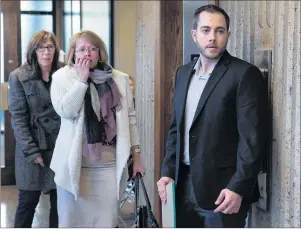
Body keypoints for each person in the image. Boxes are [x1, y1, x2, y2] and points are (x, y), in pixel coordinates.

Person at [157, 4, 268, 228]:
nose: (213, 37)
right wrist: (167, 172)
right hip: (182, 184)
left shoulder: (244, 74)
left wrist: (239, 186)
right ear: (194, 34)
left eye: (220, 31)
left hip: (223, 191)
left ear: (228, 34)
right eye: (206, 30)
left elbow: (253, 139)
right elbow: (176, 128)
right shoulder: (183, 73)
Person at [49, 30, 145, 227]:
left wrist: (137, 157)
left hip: (108, 167)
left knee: (106, 222)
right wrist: (82, 81)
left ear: (101, 53)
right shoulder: (61, 77)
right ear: (73, 53)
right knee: (71, 222)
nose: (87, 53)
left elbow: (130, 119)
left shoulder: (120, 79)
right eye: (82, 49)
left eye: (93, 49)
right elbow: (66, 111)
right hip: (73, 167)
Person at [8, 30, 62, 228]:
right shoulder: (19, 77)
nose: (45, 52)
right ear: (33, 50)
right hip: (32, 147)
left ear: (56, 50)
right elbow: (18, 118)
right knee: (28, 200)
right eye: (40, 47)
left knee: (60, 203)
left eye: (49, 47)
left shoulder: (64, 73)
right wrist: (32, 151)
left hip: (59, 147)